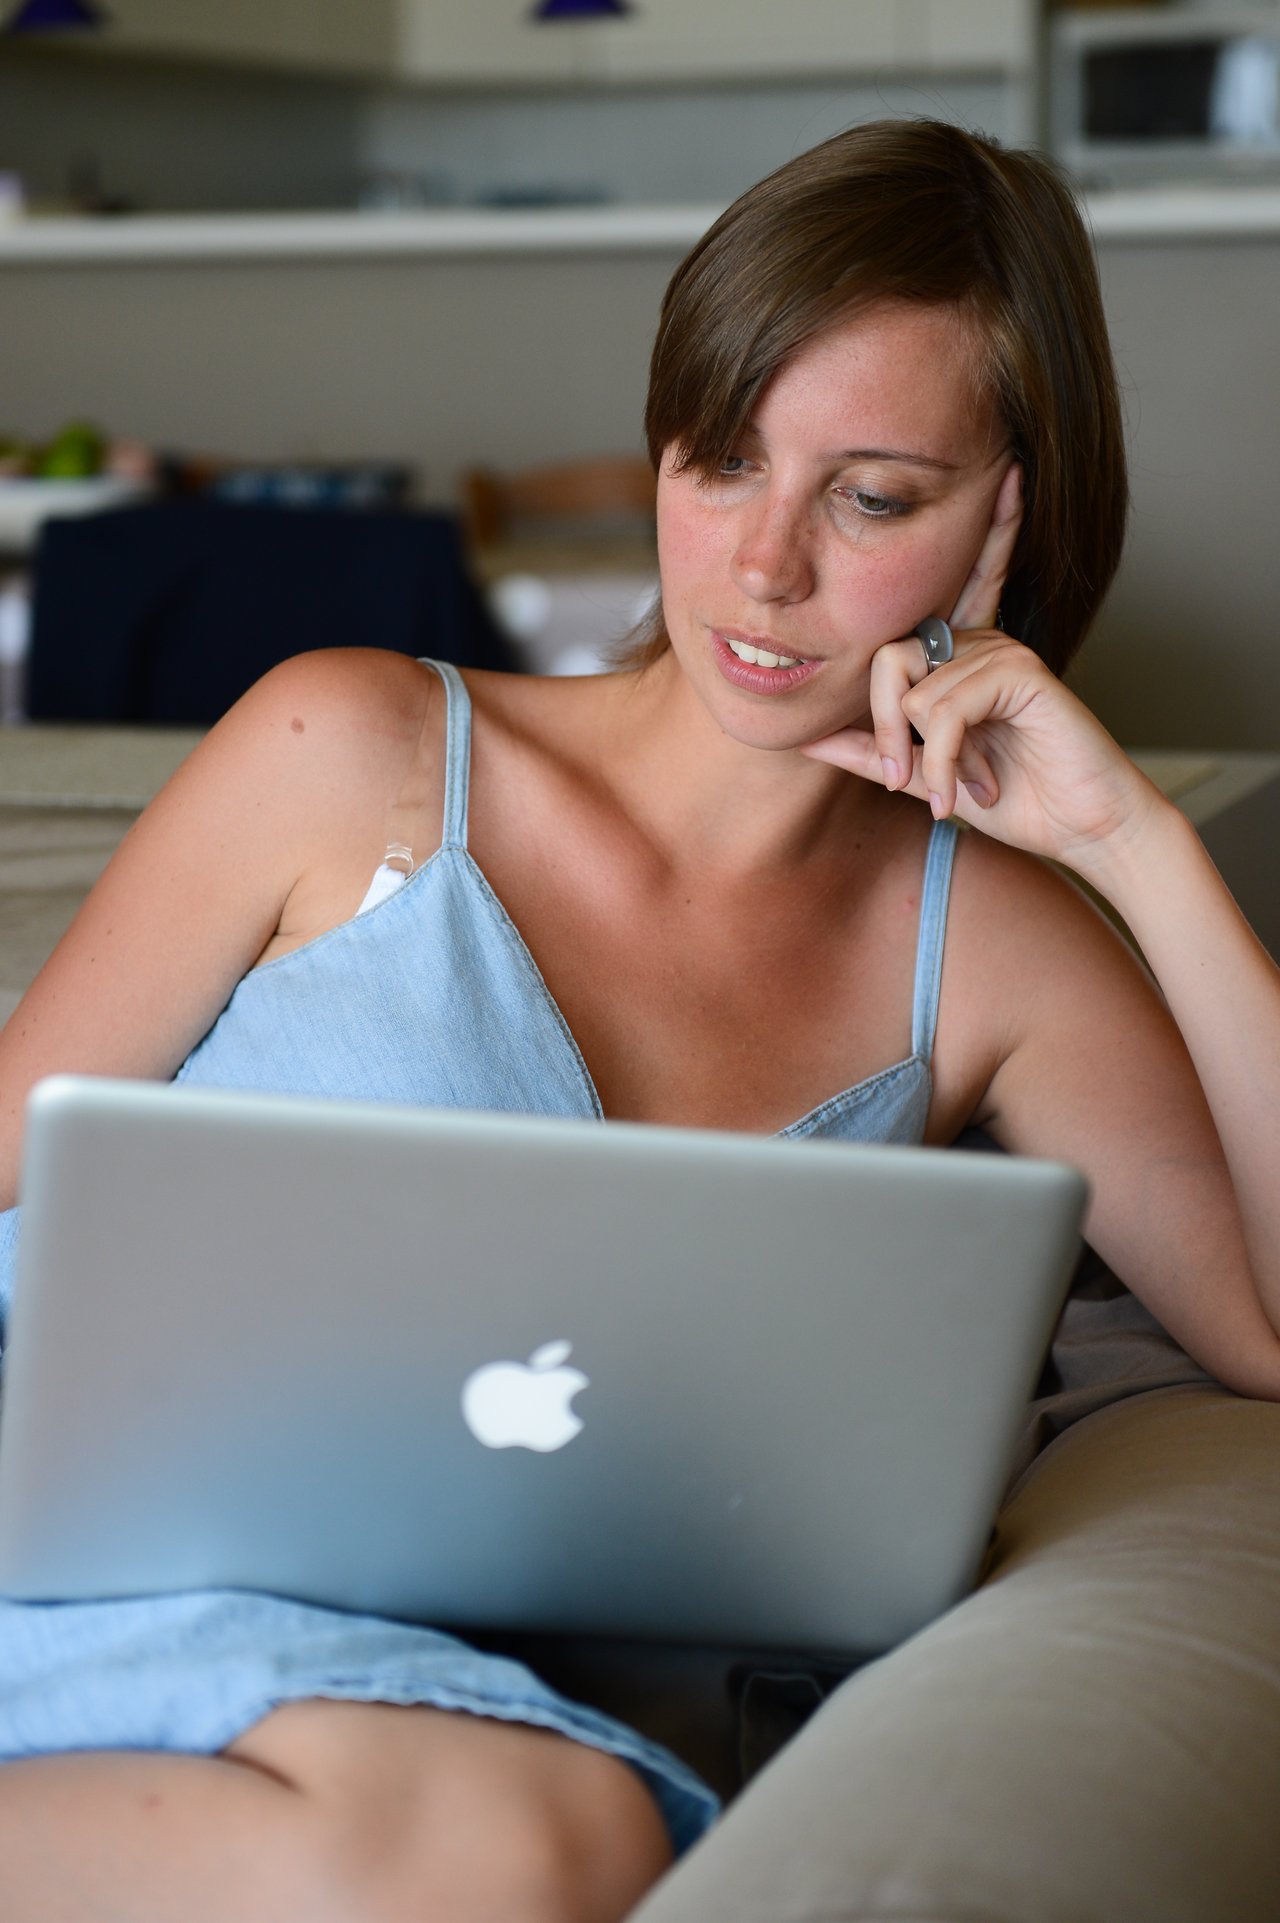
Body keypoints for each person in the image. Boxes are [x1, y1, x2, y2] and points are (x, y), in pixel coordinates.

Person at [2, 115, 1280, 1922]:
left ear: (1013, 521)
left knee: (550, 1834)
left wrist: (1131, 842)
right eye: (723, 457)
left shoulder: (996, 951)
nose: (762, 569)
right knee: (545, 1847)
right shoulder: (346, 747)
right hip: (83, 1563)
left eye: (873, 496)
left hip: (461, 1711)